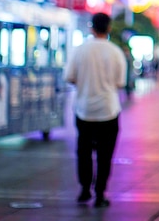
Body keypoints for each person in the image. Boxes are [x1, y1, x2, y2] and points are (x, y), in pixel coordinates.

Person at [64, 11, 127, 208]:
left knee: (83, 151)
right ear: (109, 28)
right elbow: (120, 83)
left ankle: (84, 189)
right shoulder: (115, 52)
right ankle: (100, 193)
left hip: (84, 109)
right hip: (108, 110)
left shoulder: (80, 50)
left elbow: (70, 77)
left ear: (91, 27)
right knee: (105, 154)